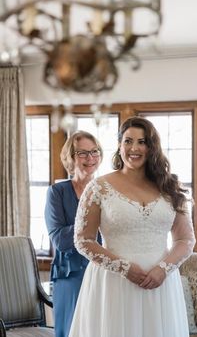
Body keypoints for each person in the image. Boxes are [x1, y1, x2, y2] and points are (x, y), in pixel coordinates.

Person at [69, 116, 196, 337]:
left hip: (161, 286)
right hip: (113, 284)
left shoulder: (170, 188)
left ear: (152, 147)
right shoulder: (98, 188)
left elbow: (185, 240)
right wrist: (123, 267)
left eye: (142, 142)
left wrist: (163, 270)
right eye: (128, 141)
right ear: (119, 145)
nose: (134, 148)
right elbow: (83, 240)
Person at [44, 130, 103, 337]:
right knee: (71, 331)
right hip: (70, 273)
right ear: (70, 158)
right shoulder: (56, 193)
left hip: (104, 269)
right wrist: (92, 221)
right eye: (82, 153)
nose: (90, 158)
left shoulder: (107, 190)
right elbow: (60, 240)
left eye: (94, 152)